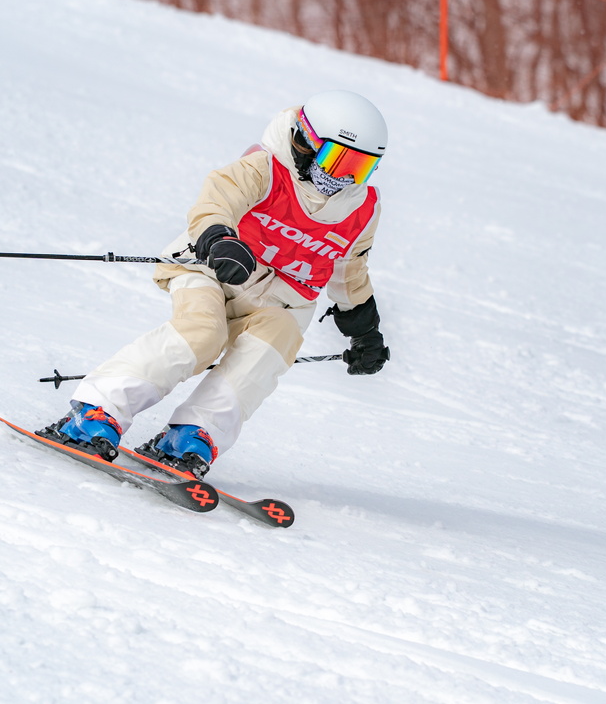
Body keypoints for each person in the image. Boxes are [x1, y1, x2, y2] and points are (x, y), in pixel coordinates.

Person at [38, 90, 392, 478]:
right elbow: (215, 201)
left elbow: (350, 271)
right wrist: (220, 238)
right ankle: (97, 410)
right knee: (202, 334)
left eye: (358, 168)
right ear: (305, 142)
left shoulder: (361, 209)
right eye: (337, 160)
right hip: (212, 269)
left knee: (270, 351)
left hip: (282, 302)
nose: (340, 178)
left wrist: (365, 333)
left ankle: (191, 434)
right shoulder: (265, 168)